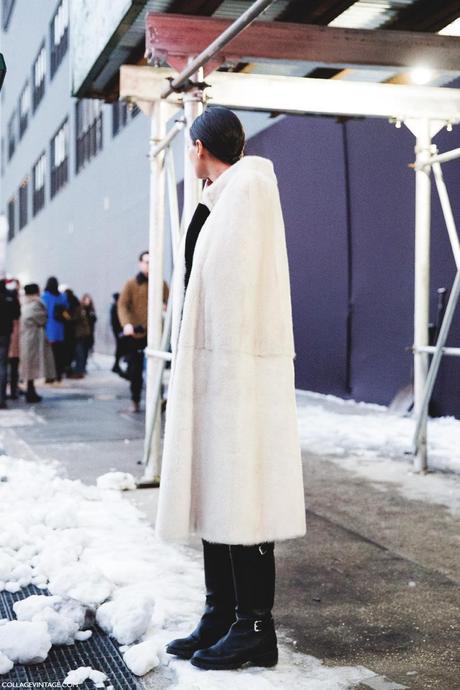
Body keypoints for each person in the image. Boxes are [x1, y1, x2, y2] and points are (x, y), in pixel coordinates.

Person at [157, 107, 306, 671]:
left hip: (238, 374)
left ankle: (254, 627)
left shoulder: (246, 193)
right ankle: (222, 613)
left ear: (198, 146)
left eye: (188, 147)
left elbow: (237, 291)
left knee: (244, 496)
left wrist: (225, 367)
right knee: (219, 492)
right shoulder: (222, 196)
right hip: (220, 374)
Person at [118, 251, 169, 412]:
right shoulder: (131, 284)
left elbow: (169, 301)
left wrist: (166, 307)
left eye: (151, 262)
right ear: (140, 263)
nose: (149, 265)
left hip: (155, 333)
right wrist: (127, 324)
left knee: (157, 367)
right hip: (136, 333)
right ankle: (135, 400)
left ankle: (157, 399)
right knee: (136, 369)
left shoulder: (160, 283)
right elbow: (122, 305)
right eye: (146, 262)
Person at [20, 284, 55, 402]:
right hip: (33, 338)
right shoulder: (36, 304)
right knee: (31, 365)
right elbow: (43, 318)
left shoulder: (24, 304)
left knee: (29, 365)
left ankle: (30, 389)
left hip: (26, 337)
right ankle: (30, 391)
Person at [41, 277, 68, 382]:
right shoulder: (62, 297)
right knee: (59, 354)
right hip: (60, 329)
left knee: (48, 355)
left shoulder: (45, 297)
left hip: (48, 329)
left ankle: (49, 376)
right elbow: (66, 309)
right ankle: (59, 374)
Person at [0, 279, 20, 409]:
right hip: (5, 334)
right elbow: (17, 315)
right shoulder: (10, 296)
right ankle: (1, 399)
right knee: (2, 366)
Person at [71, 294, 96, 378]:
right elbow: (75, 320)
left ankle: (82, 369)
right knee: (80, 353)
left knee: (84, 353)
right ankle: (79, 370)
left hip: (88, 335)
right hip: (80, 335)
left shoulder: (91, 311)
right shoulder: (80, 309)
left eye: (88, 300)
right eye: (86, 300)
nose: (87, 302)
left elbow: (93, 322)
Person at [7, 279, 20, 400]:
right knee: (13, 367)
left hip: (9, 338)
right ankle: (13, 390)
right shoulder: (15, 302)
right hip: (12, 338)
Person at [110, 293, 124, 375]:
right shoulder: (115, 307)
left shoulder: (115, 307)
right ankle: (116, 365)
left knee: (120, 349)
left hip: (119, 331)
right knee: (119, 348)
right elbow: (115, 322)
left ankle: (116, 365)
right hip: (119, 332)